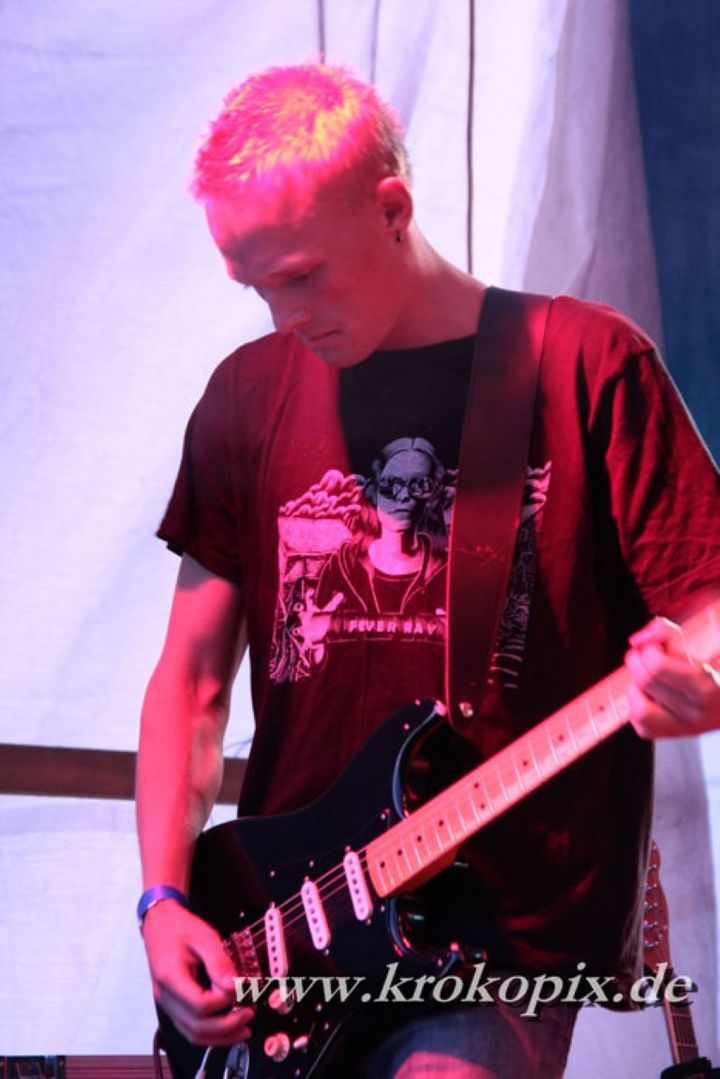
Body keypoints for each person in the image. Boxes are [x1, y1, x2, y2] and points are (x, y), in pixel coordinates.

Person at [136, 63, 720, 1078]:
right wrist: (162, 900)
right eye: (256, 286)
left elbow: (709, 606)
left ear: (392, 209)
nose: (282, 315)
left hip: (497, 934)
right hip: (289, 928)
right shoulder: (243, 396)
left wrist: (698, 680)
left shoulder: (585, 365)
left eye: (302, 275)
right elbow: (189, 681)